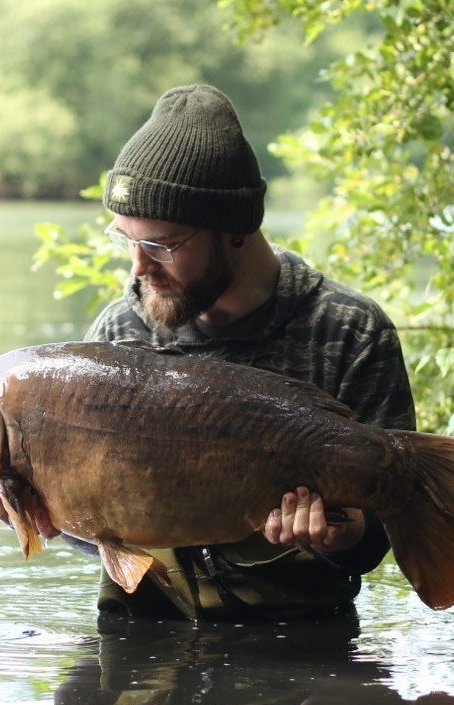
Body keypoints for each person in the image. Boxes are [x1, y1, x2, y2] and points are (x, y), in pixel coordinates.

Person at [75, 84, 416, 621]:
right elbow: (101, 537)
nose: (139, 267)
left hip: (299, 654)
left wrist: (339, 537)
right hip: (143, 650)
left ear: (234, 228)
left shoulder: (351, 332)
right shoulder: (120, 336)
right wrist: (45, 511)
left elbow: (384, 535)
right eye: (126, 240)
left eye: (161, 245)